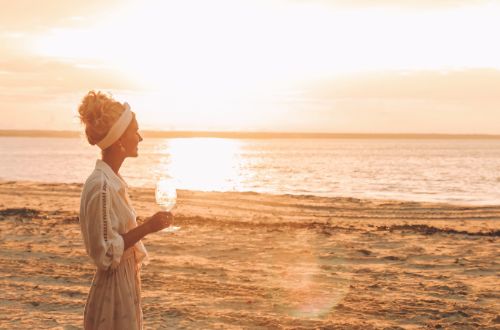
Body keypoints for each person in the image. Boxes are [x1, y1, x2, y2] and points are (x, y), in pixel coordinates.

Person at [78, 90, 171, 329]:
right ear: (119, 139)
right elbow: (106, 254)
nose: (140, 138)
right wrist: (147, 227)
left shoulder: (112, 181)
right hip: (113, 292)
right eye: (135, 131)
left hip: (125, 283)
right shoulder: (101, 187)